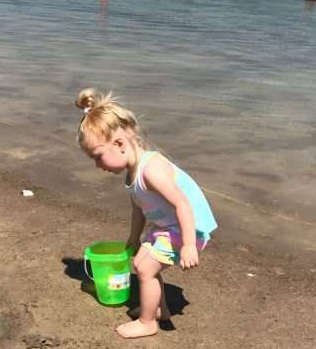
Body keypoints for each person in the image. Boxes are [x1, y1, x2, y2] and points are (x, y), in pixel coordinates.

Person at [75, 89, 218, 339]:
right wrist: (133, 237)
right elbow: (138, 208)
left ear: (119, 144)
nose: (97, 165)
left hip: (189, 228)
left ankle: (147, 322)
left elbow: (183, 204)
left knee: (145, 269)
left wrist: (188, 246)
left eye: (98, 157)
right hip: (168, 226)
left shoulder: (151, 170)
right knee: (143, 262)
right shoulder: (133, 173)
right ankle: (160, 309)